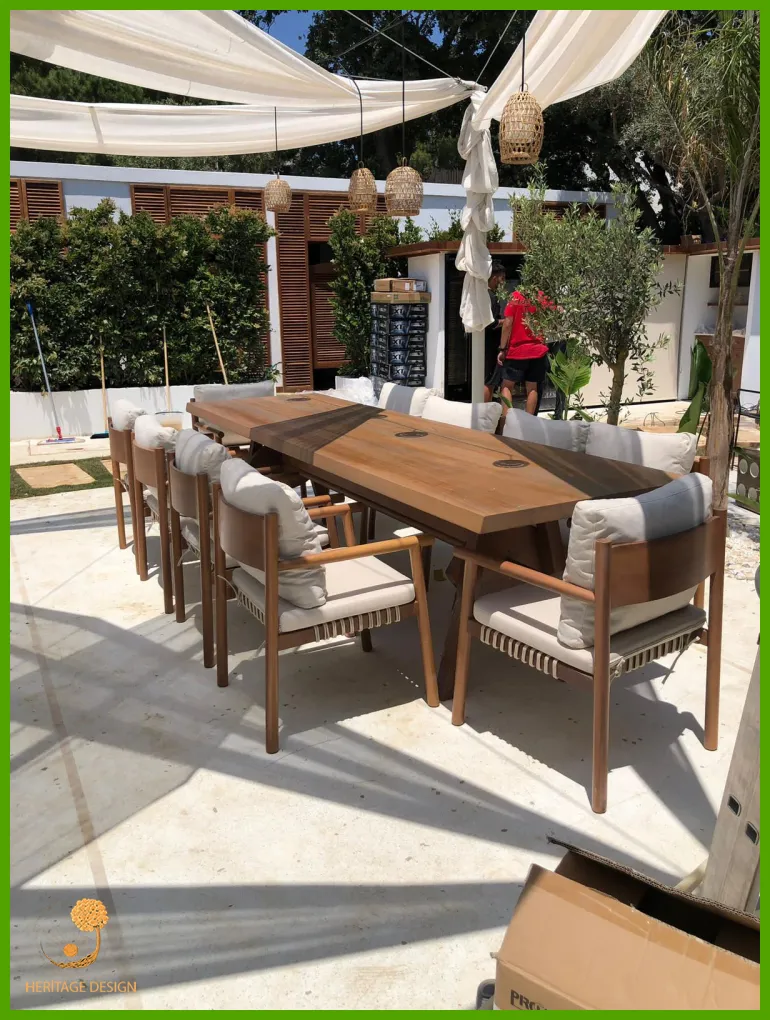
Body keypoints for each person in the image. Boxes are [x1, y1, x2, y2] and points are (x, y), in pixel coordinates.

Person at [497, 289, 554, 415]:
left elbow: (507, 323)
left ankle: (507, 422)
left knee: (507, 386)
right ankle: (529, 423)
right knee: (532, 388)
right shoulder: (543, 297)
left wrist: (502, 348)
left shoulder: (515, 297)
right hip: (537, 350)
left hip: (517, 350)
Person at [483, 262, 507, 402]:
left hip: (486, 343)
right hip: (490, 344)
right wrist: (506, 321)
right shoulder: (490, 296)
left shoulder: (483, 294)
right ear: (494, 278)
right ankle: (485, 410)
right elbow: (490, 323)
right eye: (502, 278)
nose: (503, 282)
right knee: (489, 381)